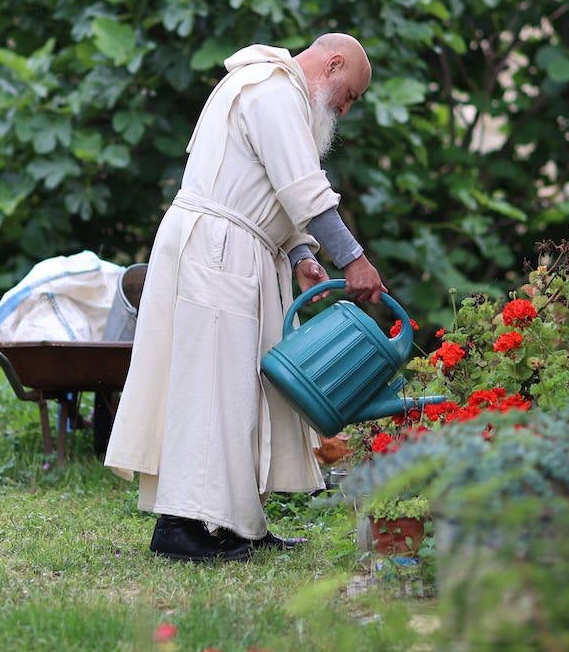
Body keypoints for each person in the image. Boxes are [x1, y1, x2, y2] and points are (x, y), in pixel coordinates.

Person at [103, 33, 388, 562]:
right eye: (349, 94)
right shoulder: (273, 91)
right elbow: (304, 188)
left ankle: (238, 525)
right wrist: (353, 259)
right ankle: (180, 529)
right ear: (331, 64)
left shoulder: (274, 93)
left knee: (238, 394)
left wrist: (303, 252)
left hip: (233, 249)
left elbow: (273, 188)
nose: (347, 108)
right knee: (210, 390)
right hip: (217, 250)